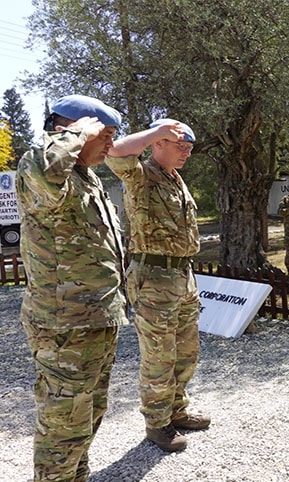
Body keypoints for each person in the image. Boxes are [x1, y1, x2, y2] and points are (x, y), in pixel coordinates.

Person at [16, 95, 128, 482]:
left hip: (96, 318)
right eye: (107, 135)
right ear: (76, 129)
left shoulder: (86, 176)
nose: (111, 146)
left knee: (89, 415)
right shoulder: (38, 163)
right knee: (64, 421)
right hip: (63, 324)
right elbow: (48, 167)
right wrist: (82, 130)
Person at [105, 118, 209, 453]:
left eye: (190, 149)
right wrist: (156, 131)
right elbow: (116, 153)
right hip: (153, 277)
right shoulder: (142, 175)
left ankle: (177, 411)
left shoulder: (176, 179)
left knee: (186, 351)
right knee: (159, 356)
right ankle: (157, 424)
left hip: (182, 276)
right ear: (158, 144)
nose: (186, 153)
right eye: (179, 146)